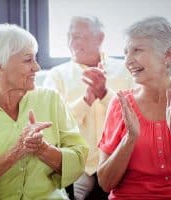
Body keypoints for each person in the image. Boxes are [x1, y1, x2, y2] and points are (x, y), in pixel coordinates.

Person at [0, 24, 88, 200]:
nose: (36, 67)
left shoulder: (51, 99)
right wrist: (15, 152)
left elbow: (79, 159)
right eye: (28, 60)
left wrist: (43, 149)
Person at [97, 16, 171, 199]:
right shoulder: (120, 105)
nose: (127, 61)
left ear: (168, 54)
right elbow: (105, 183)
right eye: (126, 52)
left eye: (137, 50)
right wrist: (129, 139)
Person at [43, 16, 133, 200]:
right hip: (76, 169)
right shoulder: (57, 76)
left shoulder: (126, 70)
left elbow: (136, 117)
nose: (71, 43)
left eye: (78, 37)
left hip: (121, 165)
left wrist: (105, 95)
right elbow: (52, 124)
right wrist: (85, 101)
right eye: (69, 37)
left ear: (99, 38)